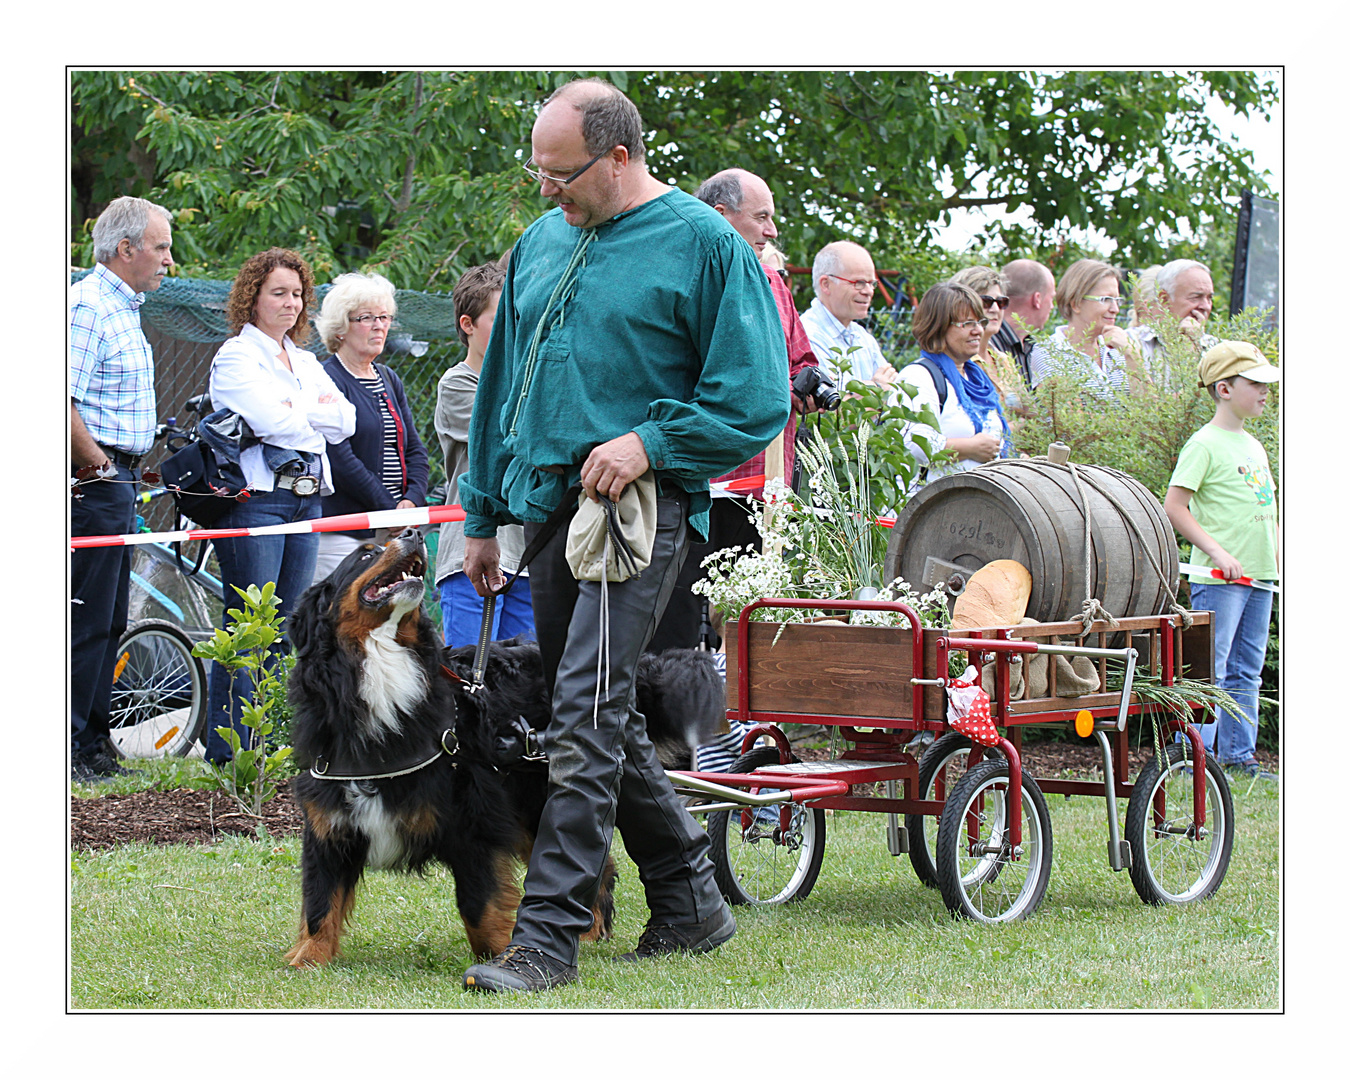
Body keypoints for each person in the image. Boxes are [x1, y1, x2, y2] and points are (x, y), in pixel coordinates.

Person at [458, 77, 788, 992]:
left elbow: (755, 399)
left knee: (587, 712)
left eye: (560, 174)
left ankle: (547, 939)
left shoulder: (706, 244)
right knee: (596, 711)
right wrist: (483, 514)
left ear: (619, 157)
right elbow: (500, 393)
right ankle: (690, 900)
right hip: (549, 510)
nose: (546, 191)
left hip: (640, 519)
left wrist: (649, 441)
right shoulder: (539, 242)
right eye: (538, 172)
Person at [645, 167, 819, 655]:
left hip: (763, 478)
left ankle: (744, 723)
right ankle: (677, 724)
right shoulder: (677, 277)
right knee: (677, 615)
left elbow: (800, 361)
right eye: (761, 217)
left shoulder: (772, 281)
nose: (772, 231)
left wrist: (805, 387)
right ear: (719, 216)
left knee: (751, 614)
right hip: (694, 475)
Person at [203, 249, 355, 763]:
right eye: (278, 293)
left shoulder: (308, 361)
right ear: (253, 297)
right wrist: (310, 412)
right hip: (258, 503)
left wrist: (299, 409)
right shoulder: (236, 357)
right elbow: (272, 422)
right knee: (248, 624)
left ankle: (266, 743)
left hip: (307, 500)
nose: (290, 303)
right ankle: (228, 750)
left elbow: (347, 422)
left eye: (297, 294)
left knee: (288, 623)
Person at [69, 196, 175, 781]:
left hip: (122, 476)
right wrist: (99, 468)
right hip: (94, 482)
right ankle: (73, 746)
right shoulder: (87, 306)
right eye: (159, 246)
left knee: (111, 615)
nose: (167, 258)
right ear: (125, 248)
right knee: (86, 616)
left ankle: (95, 742)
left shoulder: (124, 307)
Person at [1163, 341, 1279, 782]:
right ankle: (1193, 756)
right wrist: (1218, 552)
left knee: (1246, 669)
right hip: (1220, 578)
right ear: (1225, 389)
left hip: (1259, 576)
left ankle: (1239, 756)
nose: (1265, 393)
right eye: (1256, 384)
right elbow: (1175, 506)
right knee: (1212, 667)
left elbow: (1269, 508)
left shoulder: (1253, 445)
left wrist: (1277, 559)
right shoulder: (1204, 444)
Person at [433, 260, 536, 648]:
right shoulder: (457, 384)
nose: (512, 331)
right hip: (470, 556)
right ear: (467, 324)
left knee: (526, 688)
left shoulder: (526, 386)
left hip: (526, 556)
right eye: (499, 320)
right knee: (471, 683)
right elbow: (511, 437)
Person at [310, 272, 429, 584]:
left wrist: (411, 501)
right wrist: (388, 508)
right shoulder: (325, 378)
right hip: (345, 534)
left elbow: (415, 449)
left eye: (384, 316)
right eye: (366, 318)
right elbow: (339, 458)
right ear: (340, 327)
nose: (379, 325)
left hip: (393, 530)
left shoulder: (388, 378)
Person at [896, 282, 1007, 487]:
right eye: (966, 323)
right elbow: (913, 445)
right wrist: (970, 448)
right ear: (938, 326)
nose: (977, 331)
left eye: (979, 322)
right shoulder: (918, 377)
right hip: (932, 506)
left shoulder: (977, 379)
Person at [800, 240, 897, 392]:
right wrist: (877, 388)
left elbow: (892, 392)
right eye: (859, 282)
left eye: (872, 283)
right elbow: (830, 410)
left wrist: (871, 392)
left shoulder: (862, 337)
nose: (869, 291)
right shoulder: (807, 337)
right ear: (826, 284)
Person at [1043, 259, 1141, 396]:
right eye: (1105, 299)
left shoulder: (1119, 347)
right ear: (1076, 304)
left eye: (1117, 300)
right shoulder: (1050, 352)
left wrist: (1131, 355)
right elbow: (1069, 416)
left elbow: (1151, 408)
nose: (1115, 309)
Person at [950, 265, 1023, 416]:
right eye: (986, 302)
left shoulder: (1003, 360)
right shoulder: (957, 361)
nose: (995, 309)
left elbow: (1027, 412)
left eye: (1001, 302)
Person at [1127, 258, 1220, 370]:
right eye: (1196, 297)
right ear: (1164, 300)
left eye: (1209, 298)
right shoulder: (1130, 344)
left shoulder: (1218, 350)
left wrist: (1195, 348)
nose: (1205, 306)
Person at [990, 258, 1056, 390]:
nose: (1052, 306)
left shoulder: (1035, 348)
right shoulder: (988, 344)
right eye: (1051, 298)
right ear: (1037, 299)